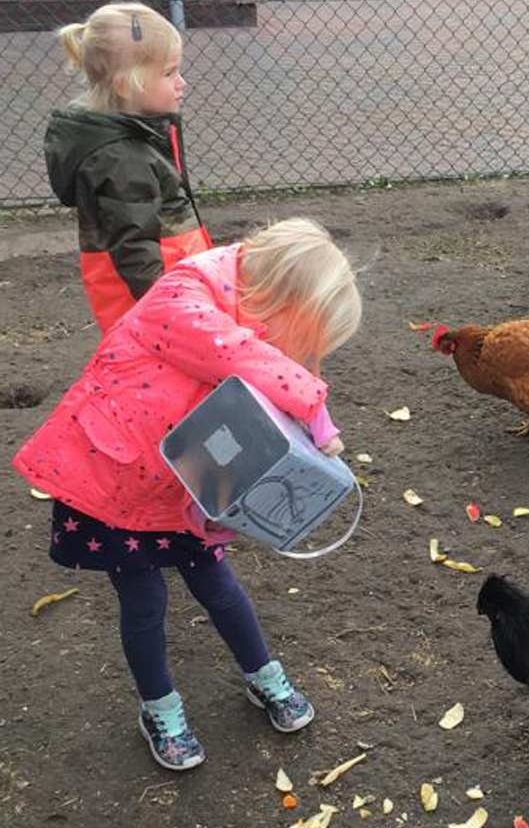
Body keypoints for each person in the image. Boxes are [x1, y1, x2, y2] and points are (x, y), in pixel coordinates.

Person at [13, 218, 362, 771]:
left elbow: (257, 380)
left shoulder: (249, 317)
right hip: (116, 482)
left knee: (219, 586)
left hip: (179, 487)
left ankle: (263, 675)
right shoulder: (184, 296)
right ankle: (160, 708)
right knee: (145, 601)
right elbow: (238, 354)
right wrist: (314, 408)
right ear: (278, 294)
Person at [46, 1, 211, 335]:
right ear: (126, 86)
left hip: (168, 289)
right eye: (169, 73)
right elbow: (135, 248)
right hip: (154, 305)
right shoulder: (121, 158)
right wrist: (170, 313)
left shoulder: (137, 134)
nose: (181, 82)